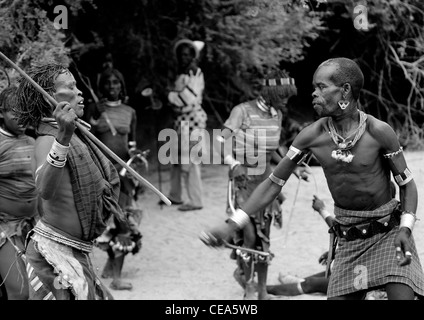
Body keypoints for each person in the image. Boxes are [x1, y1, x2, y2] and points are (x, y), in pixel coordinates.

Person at [201, 57, 424, 300]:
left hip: (388, 233)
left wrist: (406, 228)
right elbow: (274, 183)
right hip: (349, 238)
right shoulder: (311, 136)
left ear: (345, 90)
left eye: (321, 87)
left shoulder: (379, 132)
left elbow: (406, 185)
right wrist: (232, 224)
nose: (313, 94)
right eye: (314, 88)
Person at [13, 63, 128, 300]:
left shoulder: (77, 136)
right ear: (49, 98)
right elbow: (44, 189)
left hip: (76, 251)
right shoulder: (48, 140)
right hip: (54, 256)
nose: (80, 92)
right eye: (71, 87)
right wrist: (63, 138)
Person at [211, 69, 310, 300]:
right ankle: (248, 284)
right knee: (249, 234)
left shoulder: (277, 115)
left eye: (288, 95)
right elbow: (220, 139)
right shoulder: (242, 111)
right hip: (243, 180)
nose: (286, 99)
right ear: (270, 91)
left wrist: (293, 167)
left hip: (266, 182)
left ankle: (262, 290)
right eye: (282, 94)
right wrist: (232, 163)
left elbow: (273, 149)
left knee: (263, 235)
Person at [87, 67, 143, 291]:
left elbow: (132, 145)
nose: (112, 87)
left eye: (116, 83)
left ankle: (117, 276)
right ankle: (109, 263)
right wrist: (94, 114)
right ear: (102, 87)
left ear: (122, 86)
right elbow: (86, 135)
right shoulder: (93, 108)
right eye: (108, 83)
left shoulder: (130, 111)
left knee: (122, 219)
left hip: (124, 174)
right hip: (100, 173)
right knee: (103, 221)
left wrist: (136, 162)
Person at [159, 38, 207, 211]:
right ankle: (175, 195)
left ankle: (196, 200)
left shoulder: (195, 72)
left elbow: (188, 97)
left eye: (187, 55)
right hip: (181, 121)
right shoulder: (183, 72)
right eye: (181, 55)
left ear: (193, 56)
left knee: (192, 161)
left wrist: (169, 96)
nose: (183, 58)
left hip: (193, 120)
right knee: (177, 159)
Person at [0, 86, 38, 300]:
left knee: (40, 286)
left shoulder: (33, 142)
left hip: (32, 227)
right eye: (15, 111)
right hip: (4, 228)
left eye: (26, 112)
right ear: (1, 112)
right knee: (20, 290)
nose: (22, 118)